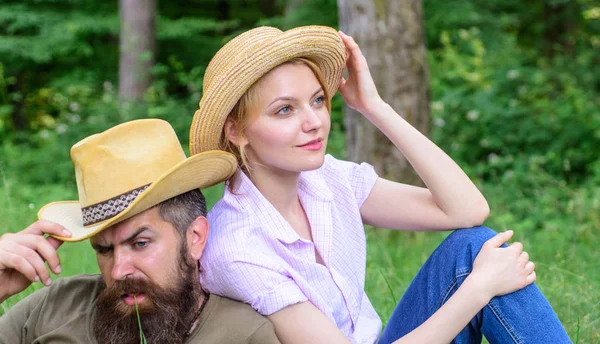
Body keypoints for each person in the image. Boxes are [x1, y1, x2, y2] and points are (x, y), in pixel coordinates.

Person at [189, 26, 572, 343]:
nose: (314, 122)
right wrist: (477, 290)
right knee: (479, 267)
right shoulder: (237, 247)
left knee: (473, 245)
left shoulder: (327, 179)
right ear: (237, 131)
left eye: (318, 101)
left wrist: (375, 107)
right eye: (285, 109)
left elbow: (466, 211)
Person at [0, 119, 281, 344]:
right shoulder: (55, 306)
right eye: (104, 249)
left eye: (140, 243)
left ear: (195, 238)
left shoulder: (244, 334)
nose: (119, 270)